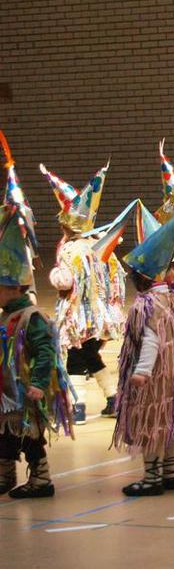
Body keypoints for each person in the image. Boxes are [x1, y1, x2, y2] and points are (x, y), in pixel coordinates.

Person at [110, 210, 174, 496]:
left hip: (156, 379)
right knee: (170, 423)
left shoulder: (147, 305)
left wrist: (142, 371)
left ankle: (152, 478)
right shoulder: (173, 300)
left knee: (151, 424)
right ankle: (169, 474)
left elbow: (151, 339)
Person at [40, 161, 125, 424]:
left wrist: (55, 274)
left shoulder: (71, 250)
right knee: (91, 355)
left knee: (75, 361)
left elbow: (66, 282)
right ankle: (113, 398)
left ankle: (77, 407)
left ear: (68, 226)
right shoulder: (101, 246)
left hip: (79, 318)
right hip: (100, 316)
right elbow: (116, 281)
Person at [0, 206, 73, 499]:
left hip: (27, 392)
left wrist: (40, 384)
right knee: (5, 436)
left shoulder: (32, 317)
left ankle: (42, 479)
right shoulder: (6, 315)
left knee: (29, 437)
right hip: (8, 394)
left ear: (16, 288)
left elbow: (45, 351)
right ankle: (5, 476)